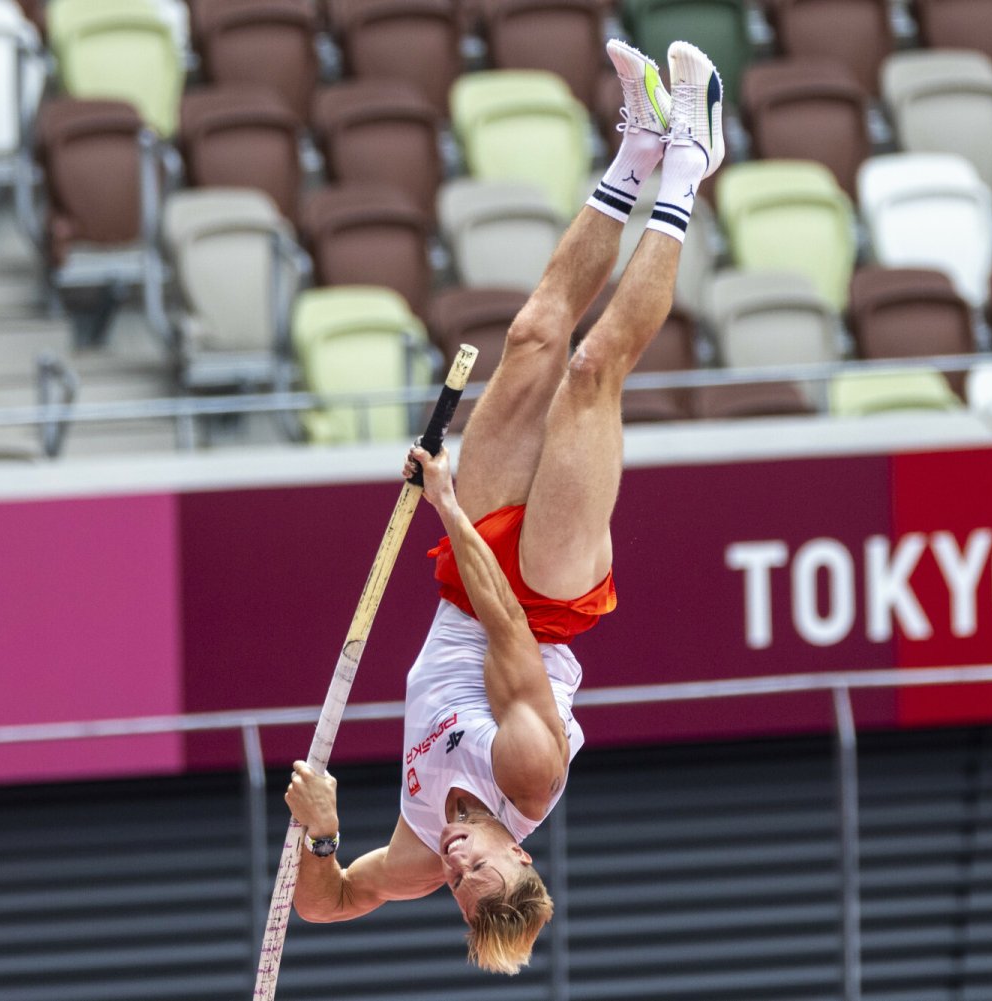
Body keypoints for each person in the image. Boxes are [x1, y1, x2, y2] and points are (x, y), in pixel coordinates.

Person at [283, 37, 726, 975]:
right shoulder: (530, 775)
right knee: (589, 371)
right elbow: (509, 637)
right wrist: (442, 503)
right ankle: (690, 166)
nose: (455, 861)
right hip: (542, 605)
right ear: (518, 849)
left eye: (457, 883)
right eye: (479, 865)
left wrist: (321, 834)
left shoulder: (411, 852)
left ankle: (641, 149)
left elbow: (326, 904)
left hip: (468, 589)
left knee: (528, 338)